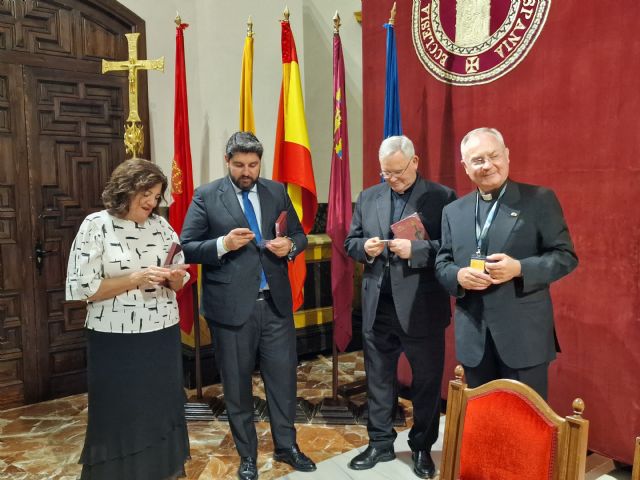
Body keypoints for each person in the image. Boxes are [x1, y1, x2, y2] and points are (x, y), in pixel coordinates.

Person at [180, 132, 315, 480]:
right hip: (231, 309)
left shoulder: (275, 191)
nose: (246, 171)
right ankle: (248, 456)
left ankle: (287, 446)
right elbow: (188, 247)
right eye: (239, 164)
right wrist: (223, 244)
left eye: (253, 165)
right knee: (238, 386)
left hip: (275, 305)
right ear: (228, 162)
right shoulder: (207, 196)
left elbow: (298, 235)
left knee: (283, 380)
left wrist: (291, 246)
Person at [65, 158, 191, 480]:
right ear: (126, 190)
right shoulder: (96, 225)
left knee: (160, 405)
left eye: (156, 195)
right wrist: (136, 278)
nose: (152, 202)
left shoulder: (162, 226)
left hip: (161, 332)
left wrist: (176, 279)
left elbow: (180, 275)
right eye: (146, 194)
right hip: (115, 338)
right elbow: (83, 289)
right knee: (121, 410)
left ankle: (161, 469)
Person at [435, 127, 578, 399]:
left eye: (494, 156)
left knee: (525, 424)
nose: (487, 165)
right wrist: (458, 276)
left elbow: (565, 257)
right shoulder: (453, 211)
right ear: (466, 167)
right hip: (474, 337)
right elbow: (442, 262)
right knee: (484, 421)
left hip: (524, 337)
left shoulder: (539, 200)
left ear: (507, 156)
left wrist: (520, 268)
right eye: (477, 160)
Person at [344, 135, 456, 479]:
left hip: (422, 307)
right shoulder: (369, 197)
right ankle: (379, 442)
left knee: (425, 381)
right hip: (378, 305)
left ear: (415, 162)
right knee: (378, 378)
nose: (392, 180)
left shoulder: (441, 198)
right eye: (386, 174)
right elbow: (351, 241)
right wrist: (367, 247)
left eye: (398, 173)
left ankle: (422, 447)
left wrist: (417, 250)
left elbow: (453, 249)